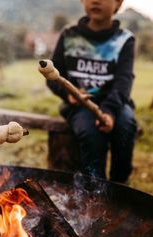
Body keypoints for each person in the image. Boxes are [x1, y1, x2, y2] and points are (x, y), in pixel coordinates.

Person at [46, 0, 137, 183]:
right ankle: (96, 189)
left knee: (126, 127)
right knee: (92, 134)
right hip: (79, 105)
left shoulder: (124, 40)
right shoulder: (69, 35)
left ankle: (121, 186)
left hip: (115, 103)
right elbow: (53, 77)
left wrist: (110, 111)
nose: (95, 1)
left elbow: (124, 81)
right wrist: (68, 95)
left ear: (118, 3)